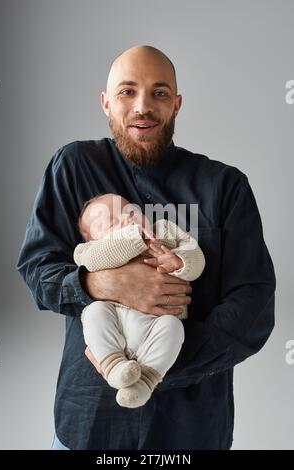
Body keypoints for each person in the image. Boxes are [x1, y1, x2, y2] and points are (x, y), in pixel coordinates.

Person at [16, 44, 276, 450]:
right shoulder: (74, 166)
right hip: (90, 420)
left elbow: (254, 302)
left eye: (159, 92)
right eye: (127, 91)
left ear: (177, 104)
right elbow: (37, 268)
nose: (143, 106)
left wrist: (161, 366)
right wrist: (102, 284)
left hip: (192, 428)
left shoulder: (225, 186)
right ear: (105, 102)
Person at [74, 192, 206, 408]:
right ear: (91, 239)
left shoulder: (164, 229)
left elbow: (196, 254)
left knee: (173, 328)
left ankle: (144, 382)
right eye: (110, 222)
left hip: (157, 324)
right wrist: (134, 236)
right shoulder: (89, 250)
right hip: (116, 322)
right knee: (94, 313)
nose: (127, 218)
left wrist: (180, 261)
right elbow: (93, 261)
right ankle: (114, 366)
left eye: (130, 211)